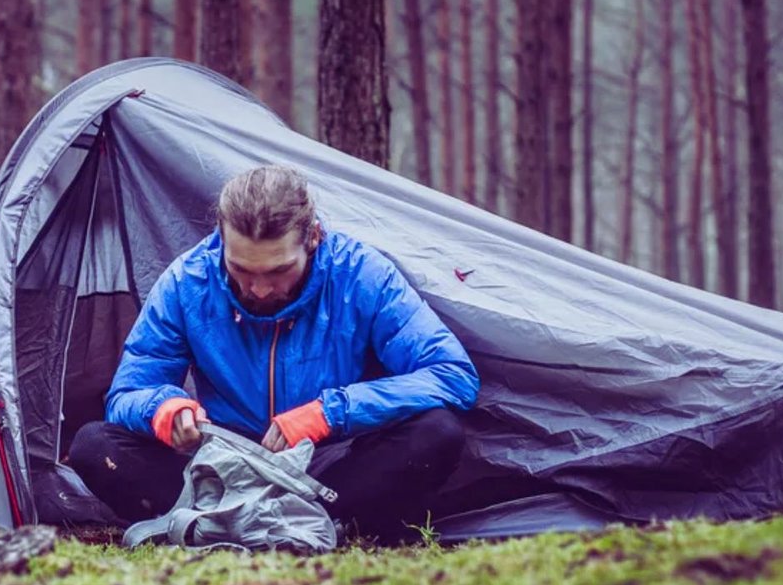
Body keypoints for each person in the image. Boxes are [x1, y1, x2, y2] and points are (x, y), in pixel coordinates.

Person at [68, 165, 480, 543]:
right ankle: (260, 524)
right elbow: (127, 394)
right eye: (242, 270)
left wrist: (329, 413)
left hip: (326, 468)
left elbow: (452, 375)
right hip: (219, 469)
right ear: (221, 242)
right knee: (93, 445)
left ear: (313, 237)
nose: (260, 289)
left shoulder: (362, 275)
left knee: (437, 434)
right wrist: (164, 409)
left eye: (279, 271)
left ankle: (255, 526)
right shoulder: (186, 282)